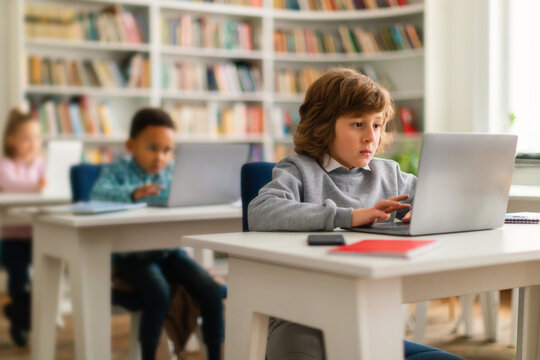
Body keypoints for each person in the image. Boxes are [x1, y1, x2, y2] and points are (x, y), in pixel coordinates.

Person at [248, 68, 464, 360]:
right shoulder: (299, 170)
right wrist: (349, 216)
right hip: (299, 316)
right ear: (324, 126)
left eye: (377, 125)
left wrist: (424, 211)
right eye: (358, 124)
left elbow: (440, 197)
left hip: (368, 318)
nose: (370, 137)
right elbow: (261, 211)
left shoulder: (390, 174)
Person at [90, 108, 225, 360]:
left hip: (170, 252)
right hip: (133, 257)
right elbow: (98, 193)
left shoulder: (171, 172)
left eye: (167, 150)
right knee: (158, 292)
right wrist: (133, 193)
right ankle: (149, 355)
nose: (160, 157)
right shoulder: (118, 170)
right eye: (152, 148)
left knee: (210, 290)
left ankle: (215, 355)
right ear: (132, 145)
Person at [0, 108, 47, 347]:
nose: (33, 143)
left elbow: (49, 186)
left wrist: (44, 184)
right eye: (26, 138)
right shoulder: (5, 165)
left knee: (40, 280)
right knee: (18, 281)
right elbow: (11, 185)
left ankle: (19, 314)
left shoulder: (40, 164)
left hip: (36, 235)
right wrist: (37, 187)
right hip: (13, 238)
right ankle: (19, 321)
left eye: (37, 138)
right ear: (11, 140)